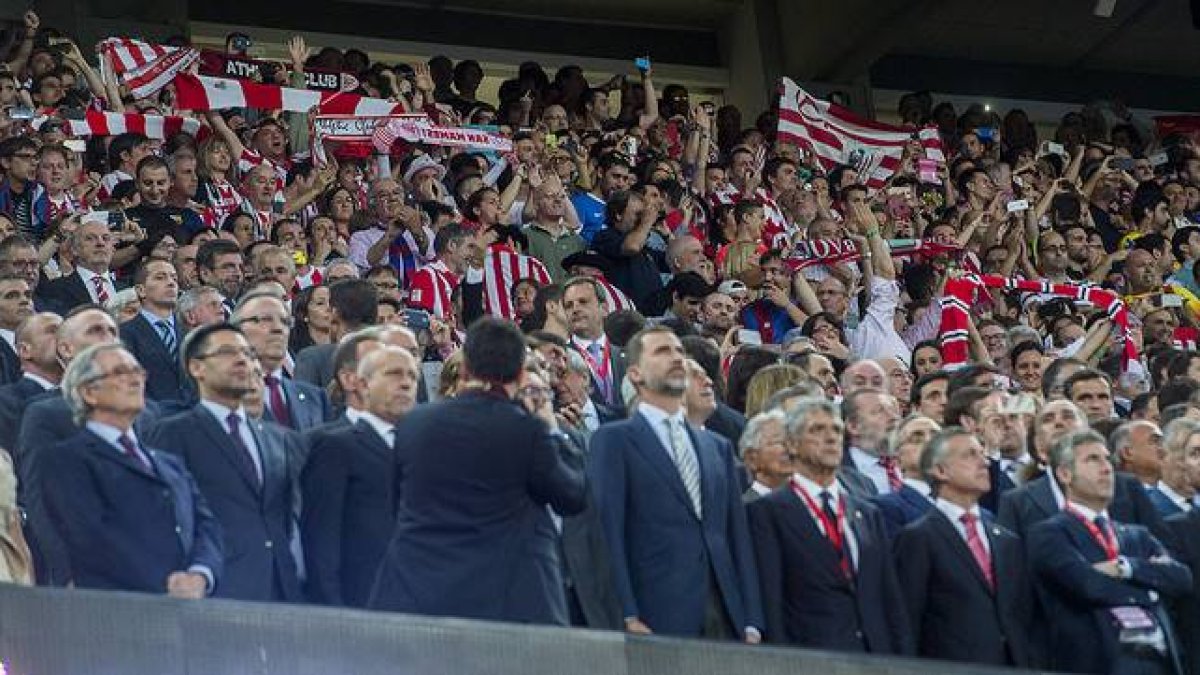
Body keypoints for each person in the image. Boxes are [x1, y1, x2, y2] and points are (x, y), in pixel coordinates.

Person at [369, 318, 586, 624]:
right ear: (521, 373)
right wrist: (551, 427)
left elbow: (397, 505)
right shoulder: (528, 430)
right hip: (506, 603)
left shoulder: (413, 423)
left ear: (466, 366)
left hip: (417, 592)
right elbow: (572, 496)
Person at [588, 325, 763, 640]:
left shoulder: (718, 447)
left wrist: (751, 617)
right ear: (636, 375)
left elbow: (737, 536)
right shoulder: (613, 440)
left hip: (726, 615)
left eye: (680, 352)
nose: (676, 358)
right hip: (656, 612)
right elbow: (607, 532)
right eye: (662, 351)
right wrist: (626, 612)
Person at [41, 344, 222, 596]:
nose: (135, 379)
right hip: (120, 611)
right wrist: (166, 582)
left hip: (188, 609)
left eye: (138, 371)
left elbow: (206, 525)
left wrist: (201, 574)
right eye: (120, 372)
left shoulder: (169, 463)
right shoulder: (67, 459)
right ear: (89, 393)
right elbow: (91, 537)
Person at [146, 323, 302, 602]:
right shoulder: (173, 433)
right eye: (228, 352)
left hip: (280, 588)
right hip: (216, 589)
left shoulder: (277, 438)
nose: (243, 360)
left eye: (248, 353)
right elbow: (165, 517)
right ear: (196, 368)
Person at [748, 398, 912, 653]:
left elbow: (890, 599)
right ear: (791, 444)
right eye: (816, 430)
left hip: (877, 658)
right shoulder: (766, 512)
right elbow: (772, 600)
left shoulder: (867, 513)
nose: (830, 437)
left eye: (836, 430)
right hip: (812, 659)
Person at [1029, 429, 1191, 675]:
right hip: (1101, 661)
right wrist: (1151, 590)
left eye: (1107, 459)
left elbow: (1181, 578)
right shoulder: (1049, 533)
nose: (1106, 468)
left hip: (1160, 661)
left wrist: (1126, 567)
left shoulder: (1137, 534)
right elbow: (1087, 584)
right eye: (1092, 460)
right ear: (1064, 473)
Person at [893, 428, 1036, 667]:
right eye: (970, 455)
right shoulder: (918, 537)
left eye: (982, 453)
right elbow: (907, 620)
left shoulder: (1006, 540)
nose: (984, 462)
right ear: (940, 470)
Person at [301, 346, 419, 607]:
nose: (406, 383)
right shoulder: (335, 447)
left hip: (416, 607)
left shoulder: (423, 448)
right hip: (358, 606)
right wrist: (334, 613)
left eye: (412, 376)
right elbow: (321, 541)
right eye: (394, 374)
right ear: (363, 385)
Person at [232, 293, 331, 431]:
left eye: (285, 322)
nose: (278, 328)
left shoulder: (315, 398)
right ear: (237, 329)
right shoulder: (224, 395)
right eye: (265, 319)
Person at [119, 259, 186, 403]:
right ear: (140, 290)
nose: (171, 283)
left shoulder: (190, 332)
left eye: (174, 278)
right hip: (151, 418)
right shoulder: (124, 334)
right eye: (160, 277)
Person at [294, 279, 378, 388]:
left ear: (334, 312)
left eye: (328, 304)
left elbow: (304, 403)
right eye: (320, 303)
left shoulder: (313, 358)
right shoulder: (399, 353)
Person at [562, 276, 626, 411]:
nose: (575, 309)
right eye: (569, 305)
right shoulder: (562, 360)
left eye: (583, 302)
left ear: (604, 309)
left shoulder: (627, 355)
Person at [0, 312, 60, 453]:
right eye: (53, 331)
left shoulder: (88, 394)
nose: (65, 337)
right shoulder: (5, 402)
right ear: (25, 350)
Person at [740, 409, 790, 502]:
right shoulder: (746, 509)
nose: (790, 449)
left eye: (792, 441)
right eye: (779, 442)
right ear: (752, 458)